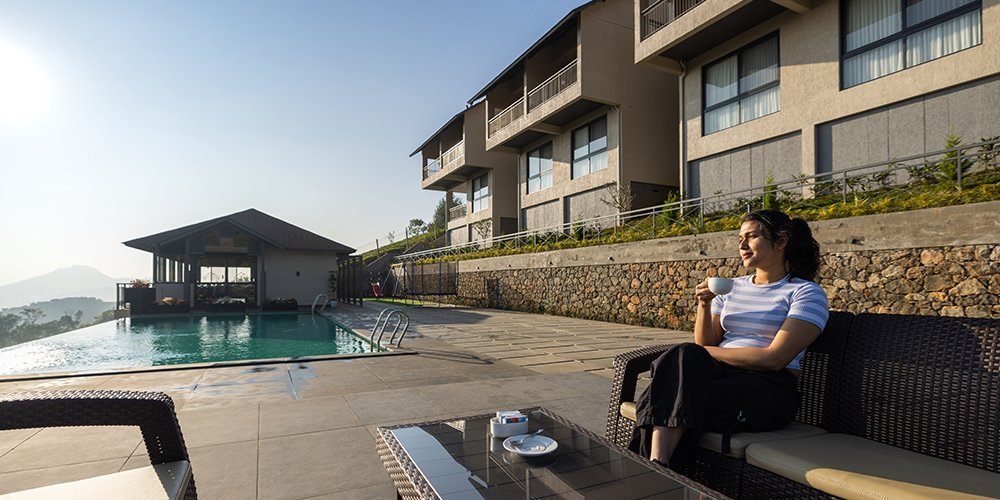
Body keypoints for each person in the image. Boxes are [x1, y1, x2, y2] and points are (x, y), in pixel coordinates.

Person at [630, 209, 829, 467]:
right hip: (720, 376)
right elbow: (705, 343)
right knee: (683, 369)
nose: (742, 245)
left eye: (752, 237)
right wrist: (704, 305)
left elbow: (774, 359)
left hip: (768, 389)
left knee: (670, 393)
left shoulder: (806, 293)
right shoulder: (732, 287)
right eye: (740, 239)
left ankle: (651, 469)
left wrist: (704, 352)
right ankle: (659, 465)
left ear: (781, 241)